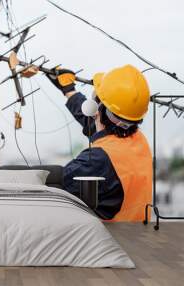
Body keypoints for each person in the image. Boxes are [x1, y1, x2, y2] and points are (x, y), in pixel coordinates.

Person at [47, 65, 152, 221]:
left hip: (109, 241)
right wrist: (69, 90)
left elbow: (59, 182)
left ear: (96, 110)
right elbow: (96, 121)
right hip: (137, 236)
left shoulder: (98, 159)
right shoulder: (138, 140)